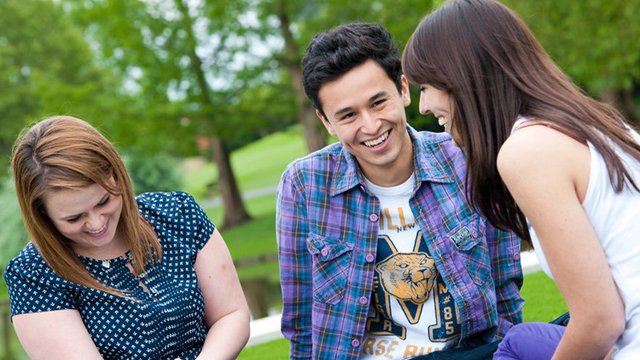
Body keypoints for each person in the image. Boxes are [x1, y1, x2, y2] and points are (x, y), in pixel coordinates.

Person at [401, 0, 640, 359]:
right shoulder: (598, 124)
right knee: (519, 340)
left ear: (461, 77)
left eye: (427, 87)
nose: (422, 107)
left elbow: (600, 321)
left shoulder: (527, 151)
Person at [276, 22, 524, 360]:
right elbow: (301, 325)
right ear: (326, 123)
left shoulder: (467, 160)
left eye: (378, 102)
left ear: (403, 90)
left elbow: (506, 290)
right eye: (348, 115)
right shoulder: (304, 185)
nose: (371, 126)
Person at [4, 115, 251, 359]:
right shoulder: (34, 275)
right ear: (42, 215)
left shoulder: (177, 213)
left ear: (118, 177)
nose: (96, 223)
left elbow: (230, 315)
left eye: (104, 201)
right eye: (74, 218)